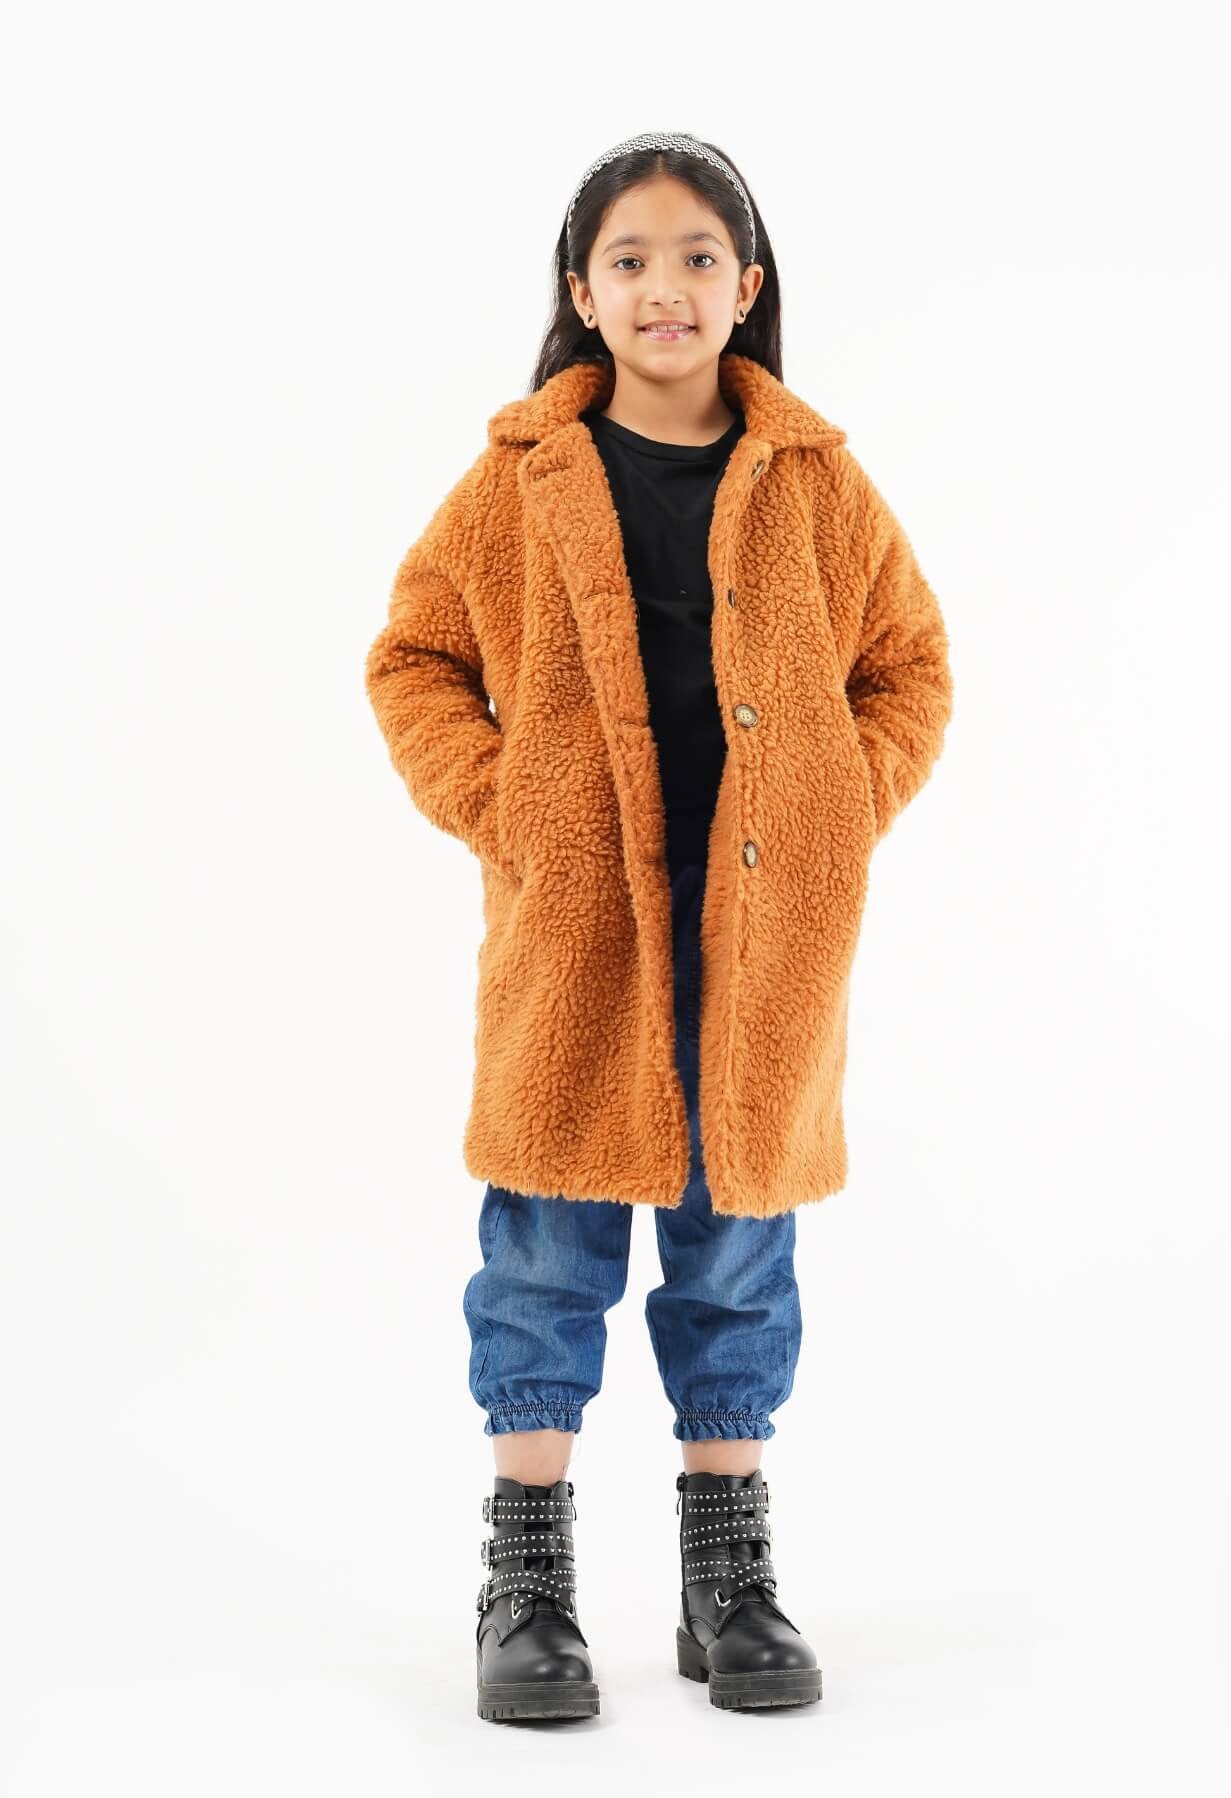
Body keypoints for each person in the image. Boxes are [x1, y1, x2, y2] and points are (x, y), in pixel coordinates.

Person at [363, 130, 954, 1723]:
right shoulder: (519, 479)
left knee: (737, 1248)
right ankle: (526, 1578)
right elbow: (414, 658)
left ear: (747, 287)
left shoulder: (815, 480)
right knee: (544, 1248)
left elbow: (907, 664)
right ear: (581, 291)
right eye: (628, 259)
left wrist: (839, 802)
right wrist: (508, 809)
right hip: (578, 925)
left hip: (762, 931)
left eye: (697, 256)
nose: (664, 286)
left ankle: (725, 1576)